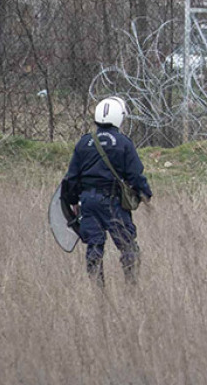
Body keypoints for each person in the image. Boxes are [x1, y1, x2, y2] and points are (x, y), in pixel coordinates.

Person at [61, 97, 152, 286]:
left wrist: (73, 202)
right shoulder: (123, 143)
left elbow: (71, 178)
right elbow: (135, 175)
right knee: (128, 246)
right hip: (113, 203)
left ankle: (98, 291)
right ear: (119, 117)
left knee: (94, 246)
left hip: (88, 203)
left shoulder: (84, 143)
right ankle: (131, 287)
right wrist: (146, 195)